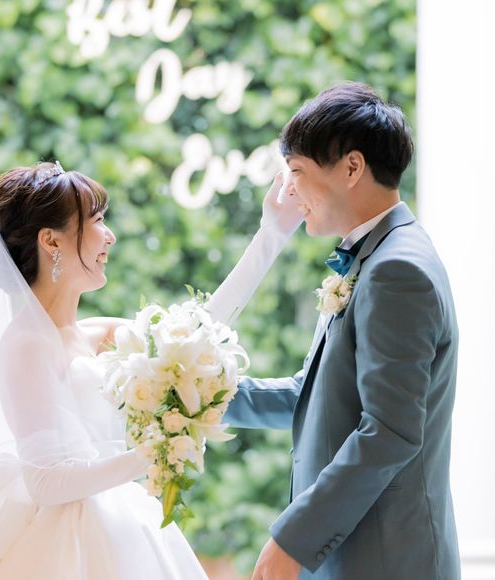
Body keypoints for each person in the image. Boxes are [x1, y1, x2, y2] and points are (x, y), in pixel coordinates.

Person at [0, 160, 301, 579]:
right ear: (51, 240)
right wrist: (154, 454)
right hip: (65, 543)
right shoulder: (25, 343)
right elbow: (45, 482)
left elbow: (196, 332)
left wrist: (272, 233)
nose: (110, 236)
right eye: (97, 221)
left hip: (121, 521)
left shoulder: (96, 333)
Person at [208, 82, 460, 580]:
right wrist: (202, 394)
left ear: (351, 167)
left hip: (389, 560)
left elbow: (388, 432)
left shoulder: (396, 270)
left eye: (297, 172)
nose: (289, 192)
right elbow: (315, 396)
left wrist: (293, 540)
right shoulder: (377, 256)